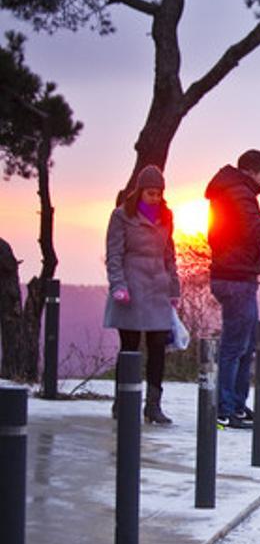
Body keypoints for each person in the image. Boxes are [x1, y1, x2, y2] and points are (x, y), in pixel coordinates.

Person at [205, 149, 260, 429]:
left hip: (237, 277)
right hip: (235, 278)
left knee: (246, 343)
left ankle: (236, 405)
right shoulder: (238, 192)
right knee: (235, 346)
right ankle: (225, 409)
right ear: (250, 171)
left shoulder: (234, 190)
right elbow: (251, 230)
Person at [104, 165, 180, 424]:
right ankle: (123, 401)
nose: (155, 198)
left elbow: (170, 255)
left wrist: (174, 288)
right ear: (140, 192)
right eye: (150, 193)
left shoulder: (167, 217)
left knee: (158, 347)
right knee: (130, 347)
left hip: (158, 285)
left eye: (159, 193)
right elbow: (114, 254)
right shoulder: (121, 216)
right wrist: (118, 285)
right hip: (131, 287)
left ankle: (153, 404)